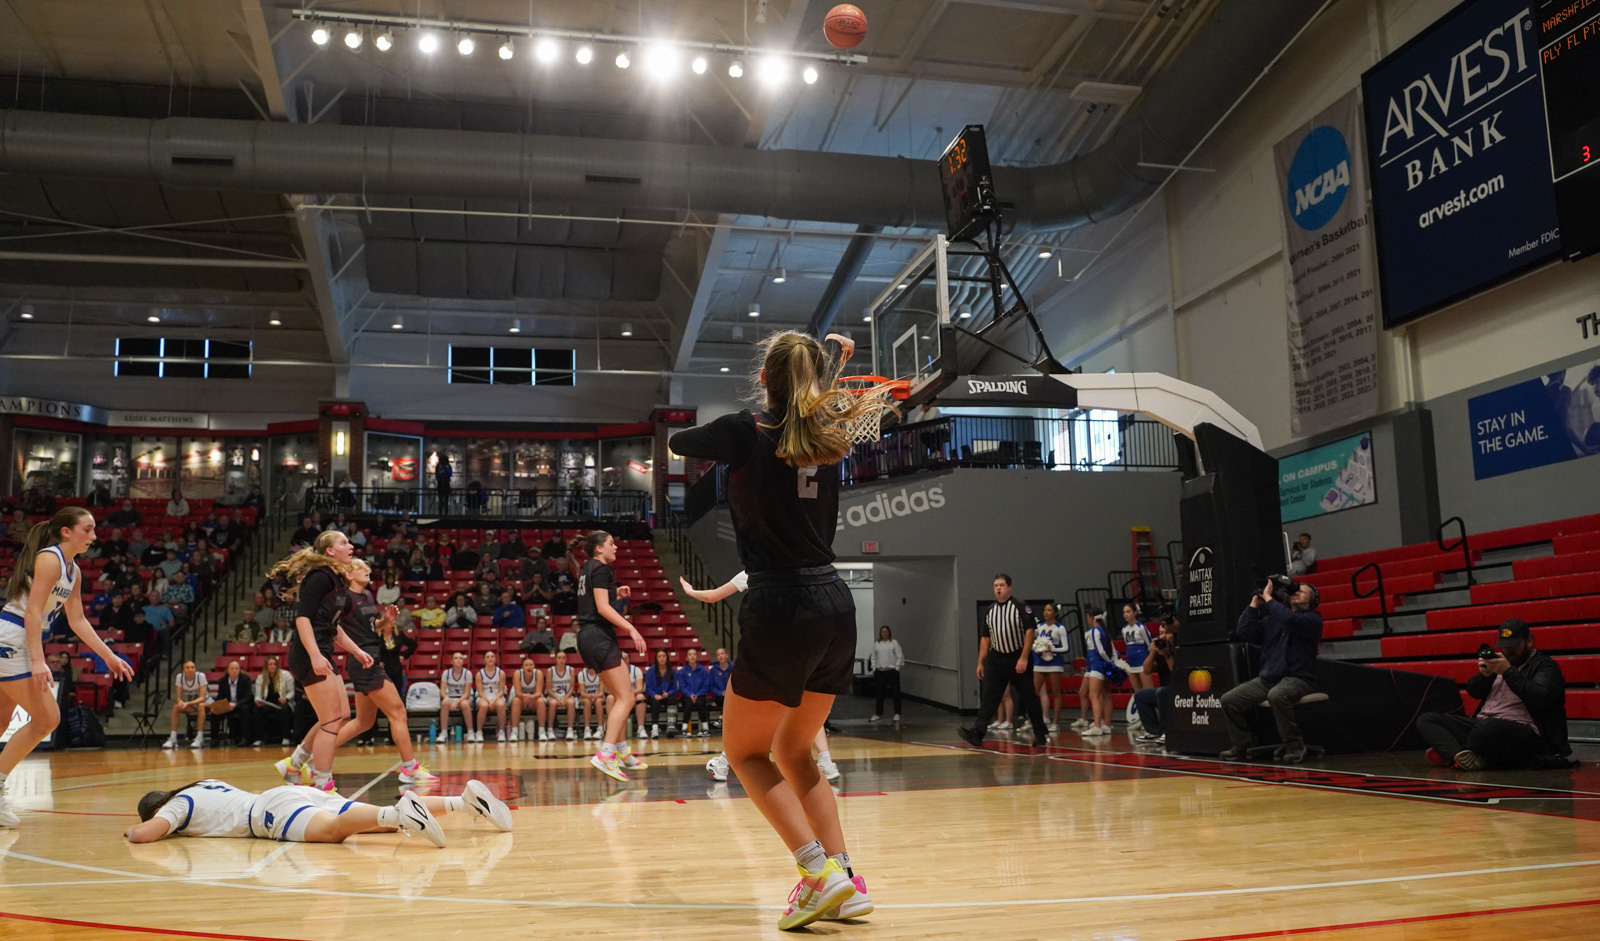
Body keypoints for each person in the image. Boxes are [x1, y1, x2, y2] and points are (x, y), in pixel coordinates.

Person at [670, 330, 878, 927]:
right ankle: (846, 874)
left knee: (744, 752)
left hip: (781, 605)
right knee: (795, 750)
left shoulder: (744, 431)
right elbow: (814, 410)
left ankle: (816, 872)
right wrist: (829, 378)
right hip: (836, 604)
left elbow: (683, 441)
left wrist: (740, 427)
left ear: (765, 378)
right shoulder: (830, 435)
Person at [0, 510, 139, 820]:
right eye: (87, 530)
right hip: (12, 639)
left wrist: (109, 656)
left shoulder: (73, 571)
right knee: (48, 718)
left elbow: (77, 620)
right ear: (66, 532)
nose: (93, 536)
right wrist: (38, 661)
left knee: (1, 722)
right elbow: (32, 612)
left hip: (17, 640)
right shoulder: (49, 559)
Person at [124, 777, 512, 847]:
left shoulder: (176, 805)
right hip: (289, 794)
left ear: (157, 806)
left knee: (332, 833)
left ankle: (401, 815)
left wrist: (131, 831)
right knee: (375, 819)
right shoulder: (202, 784)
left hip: (266, 814)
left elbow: (146, 834)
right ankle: (464, 803)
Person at [266, 530, 370, 792]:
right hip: (308, 654)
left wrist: (356, 651)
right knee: (332, 721)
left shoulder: (337, 581)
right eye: (343, 542)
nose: (350, 545)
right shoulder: (319, 578)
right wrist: (314, 655)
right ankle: (324, 784)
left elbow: (333, 628)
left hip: (323, 651)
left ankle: (295, 764)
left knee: (342, 715)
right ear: (330, 552)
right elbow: (302, 619)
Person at [329, 559, 438, 784]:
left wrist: (384, 622)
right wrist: (359, 652)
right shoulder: (344, 598)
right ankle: (410, 768)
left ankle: (312, 755)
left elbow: (370, 629)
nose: (367, 572)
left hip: (369, 659)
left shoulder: (368, 597)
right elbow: (334, 631)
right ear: (349, 575)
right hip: (363, 662)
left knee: (363, 722)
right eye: (361, 569)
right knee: (398, 712)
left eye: (369, 569)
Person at [1417, 620, 1574, 770]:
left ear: (1529, 641)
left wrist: (1508, 672)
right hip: (1483, 724)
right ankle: (1458, 757)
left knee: (1487, 729)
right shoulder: (1500, 663)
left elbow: (1541, 698)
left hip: (1523, 731)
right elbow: (1473, 691)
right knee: (1427, 719)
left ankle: (1453, 751)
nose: (1508, 651)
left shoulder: (1545, 666)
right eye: (1505, 646)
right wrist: (1484, 676)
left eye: (1513, 645)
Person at [1219, 580, 1323, 763]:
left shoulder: (1312, 619)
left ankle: (1295, 747)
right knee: (1229, 700)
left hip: (1299, 678)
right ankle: (1243, 746)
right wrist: (1255, 604)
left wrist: (1268, 598)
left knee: (1277, 695)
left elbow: (1290, 619)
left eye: (1302, 592)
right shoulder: (1274, 619)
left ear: (1312, 599)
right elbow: (1244, 630)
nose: (1296, 593)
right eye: (1295, 591)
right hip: (1269, 678)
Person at [960, 574, 1049, 749]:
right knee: (990, 697)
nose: (998, 588)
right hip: (996, 658)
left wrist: (1023, 657)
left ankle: (1040, 734)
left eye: (1001, 585)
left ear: (1009, 587)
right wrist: (980, 662)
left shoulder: (1020, 606)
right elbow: (985, 638)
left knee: (1029, 696)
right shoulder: (990, 610)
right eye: (995, 585)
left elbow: (1030, 631)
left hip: (1017, 656)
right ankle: (978, 732)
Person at [1132, 611, 1179, 745]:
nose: (1163, 637)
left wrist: (1167, 655)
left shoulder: (1178, 649)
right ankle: (1153, 731)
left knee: (1161, 692)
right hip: (1165, 690)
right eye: (1161, 634)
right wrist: (1153, 652)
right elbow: (1146, 670)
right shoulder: (1159, 650)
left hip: (1180, 689)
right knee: (1141, 695)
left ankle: (1166, 731)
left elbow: (1176, 673)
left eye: (1167, 633)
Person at [1081, 611, 1123, 737]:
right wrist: (1112, 663)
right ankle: (1107, 725)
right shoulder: (1104, 631)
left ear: (1091, 617)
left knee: (1094, 695)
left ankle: (1097, 726)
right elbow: (1113, 650)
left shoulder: (1095, 631)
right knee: (1106, 695)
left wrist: (1109, 662)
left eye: (1087, 617)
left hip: (1097, 666)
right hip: (1101, 666)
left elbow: (1101, 651)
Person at [1033, 605, 1070, 732]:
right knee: (1033, 693)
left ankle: (1055, 723)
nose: (1046, 613)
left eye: (1049, 610)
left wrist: (1052, 649)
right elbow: (1033, 643)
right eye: (1044, 610)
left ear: (1055, 613)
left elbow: (1066, 648)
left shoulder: (1060, 628)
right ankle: (1032, 721)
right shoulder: (1040, 626)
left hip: (1054, 663)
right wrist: (1037, 648)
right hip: (1039, 662)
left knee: (1056, 692)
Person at [163, 661, 212, 750]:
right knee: (176, 707)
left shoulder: (200, 676)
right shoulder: (180, 677)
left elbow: (202, 698)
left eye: (192, 667)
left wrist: (188, 703)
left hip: (207, 703)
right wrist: (181, 702)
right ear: (183, 670)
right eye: (187, 667)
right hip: (193, 704)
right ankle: (173, 738)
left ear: (195, 669)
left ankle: (200, 737)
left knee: (200, 706)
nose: (190, 669)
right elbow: (178, 697)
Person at [208, 660, 254, 746]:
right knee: (214, 712)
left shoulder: (245, 679)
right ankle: (214, 739)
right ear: (228, 670)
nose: (234, 670)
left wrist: (236, 705)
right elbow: (220, 697)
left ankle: (245, 738)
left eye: (237, 668)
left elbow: (248, 697)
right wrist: (218, 706)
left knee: (245, 709)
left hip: (240, 705)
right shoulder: (223, 681)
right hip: (227, 706)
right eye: (232, 668)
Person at [252, 656, 294, 746]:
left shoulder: (286, 675)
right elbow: (258, 694)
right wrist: (258, 701)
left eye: (274, 664)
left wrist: (286, 698)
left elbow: (292, 692)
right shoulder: (261, 677)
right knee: (257, 710)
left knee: (284, 709)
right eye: (270, 664)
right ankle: (259, 738)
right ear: (266, 666)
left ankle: (286, 737)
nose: (272, 666)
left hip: (282, 701)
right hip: (268, 703)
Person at [439, 651, 475, 743]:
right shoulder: (446, 673)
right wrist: (446, 697)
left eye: (460, 658)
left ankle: (470, 732)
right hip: (451, 696)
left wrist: (456, 703)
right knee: (444, 703)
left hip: (464, 697)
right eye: (456, 658)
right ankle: (443, 733)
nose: (458, 660)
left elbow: (467, 693)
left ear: (463, 661)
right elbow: (442, 691)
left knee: (465, 704)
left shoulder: (468, 673)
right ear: (451, 661)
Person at [677, 648, 713, 737]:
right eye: (690, 654)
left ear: (697, 657)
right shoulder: (683, 671)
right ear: (686, 658)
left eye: (694, 654)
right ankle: (684, 729)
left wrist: (697, 694)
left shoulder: (703, 670)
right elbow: (682, 686)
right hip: (687, 695)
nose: (692, 656)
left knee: (700, 703)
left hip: (700, 694)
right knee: (688, 704)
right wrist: (690, 694)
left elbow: (706, 685)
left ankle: (705, 728)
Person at [870, 625, 904, 722]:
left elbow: (899, 655)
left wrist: (897, 667)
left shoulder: (893, 643)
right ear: (880, 633)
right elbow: (873, 657)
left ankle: (897, 713)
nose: (884, 633)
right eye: (882, 632)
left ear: (889, 633)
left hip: (891, 670)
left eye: (886, 631)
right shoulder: (877, 644)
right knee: (880, 693)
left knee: (895, 692)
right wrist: (874, 668)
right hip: (880, 671)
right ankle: (878, 713)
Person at [643, 648, 679, 739]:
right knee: (655, 702)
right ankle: (655, 728)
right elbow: (648, 688)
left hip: (667, 695)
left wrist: (668, 693)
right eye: (659, 656)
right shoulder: (651, 671)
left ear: (667, 658)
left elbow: (675, 687)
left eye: (664, 656)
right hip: (655, 696)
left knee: (672, 699)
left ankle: (671, 726)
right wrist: (654, 695)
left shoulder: (672, 671)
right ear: (656, 658)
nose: (662, 658)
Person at [475, 650, 508, 743]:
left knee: (501, 704)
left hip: (497, 696)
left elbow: (501, 690)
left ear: (495, 659)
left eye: (492, 656)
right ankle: (479, 732)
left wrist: (494, 700)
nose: (490, 658)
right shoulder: (479, 674)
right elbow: (480, 692)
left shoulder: (501, 673)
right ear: (483, 660)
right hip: (483, 697)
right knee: (484, 706)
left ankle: (501, 732)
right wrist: (489, 701)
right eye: (488, 657)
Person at [545, 650, 578, 742]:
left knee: (571, 702)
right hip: (554, 696)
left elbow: (571, 688)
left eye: (563, 658)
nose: (561, 660)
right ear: (555, 659)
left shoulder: (570, 670)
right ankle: (550, 730)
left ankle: (570, 730)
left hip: (566, 696)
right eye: (559, 658)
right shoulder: (550, 670)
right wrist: (557, 698)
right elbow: (549, 689)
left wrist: (564, 698)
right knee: (552, 703)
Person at [1121, 602, 1154, 696]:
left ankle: (1155, 710)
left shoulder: (1141, 627)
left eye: (1128, 611)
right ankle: (1141, 710)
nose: (1126, 614)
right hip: (1131, 662)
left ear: (1135, 613)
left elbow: (1149, 645)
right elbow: (1127, 644)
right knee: (1138, 694)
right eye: (1124, 612)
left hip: (1142, 661)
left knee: (1149, 692)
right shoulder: (1124, 629)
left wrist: (1149, 660)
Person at [510, 656, 545, 742]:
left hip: (533, 699)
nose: (529, 667)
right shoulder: (517, 673)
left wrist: (532, 697)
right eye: (526, 665)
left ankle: (542, 731)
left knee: (540, 701)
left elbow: (539, 692)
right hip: (521, 699)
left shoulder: (538, 673)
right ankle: (514, 732)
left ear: (534, 666)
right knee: (516, 701)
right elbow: (517, 693)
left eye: (531, 665)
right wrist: (524, 696)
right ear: (522, 667)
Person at [707, 646, 733, 728]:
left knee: (730, 700)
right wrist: (720, 692)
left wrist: (729, 692)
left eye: (722, 654)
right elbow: (710, 686)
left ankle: (721, 718)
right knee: (725, 700)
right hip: (719, 696)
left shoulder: (733, 668)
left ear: (727, 655)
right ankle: (722, 719)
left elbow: (738, 682)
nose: (721, 656)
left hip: (732, 695)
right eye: (718, 655)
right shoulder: (713, 670)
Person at [578, 665, 606, 740]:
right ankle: (587, 729)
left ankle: (600, 729)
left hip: (598, 697)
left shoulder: (601, 673)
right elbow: (582, 693)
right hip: (586, 697)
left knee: (598, 702)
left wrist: (596, 696)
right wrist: (589, 696)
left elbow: (601, 693)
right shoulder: (582, 674)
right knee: (587, 702)